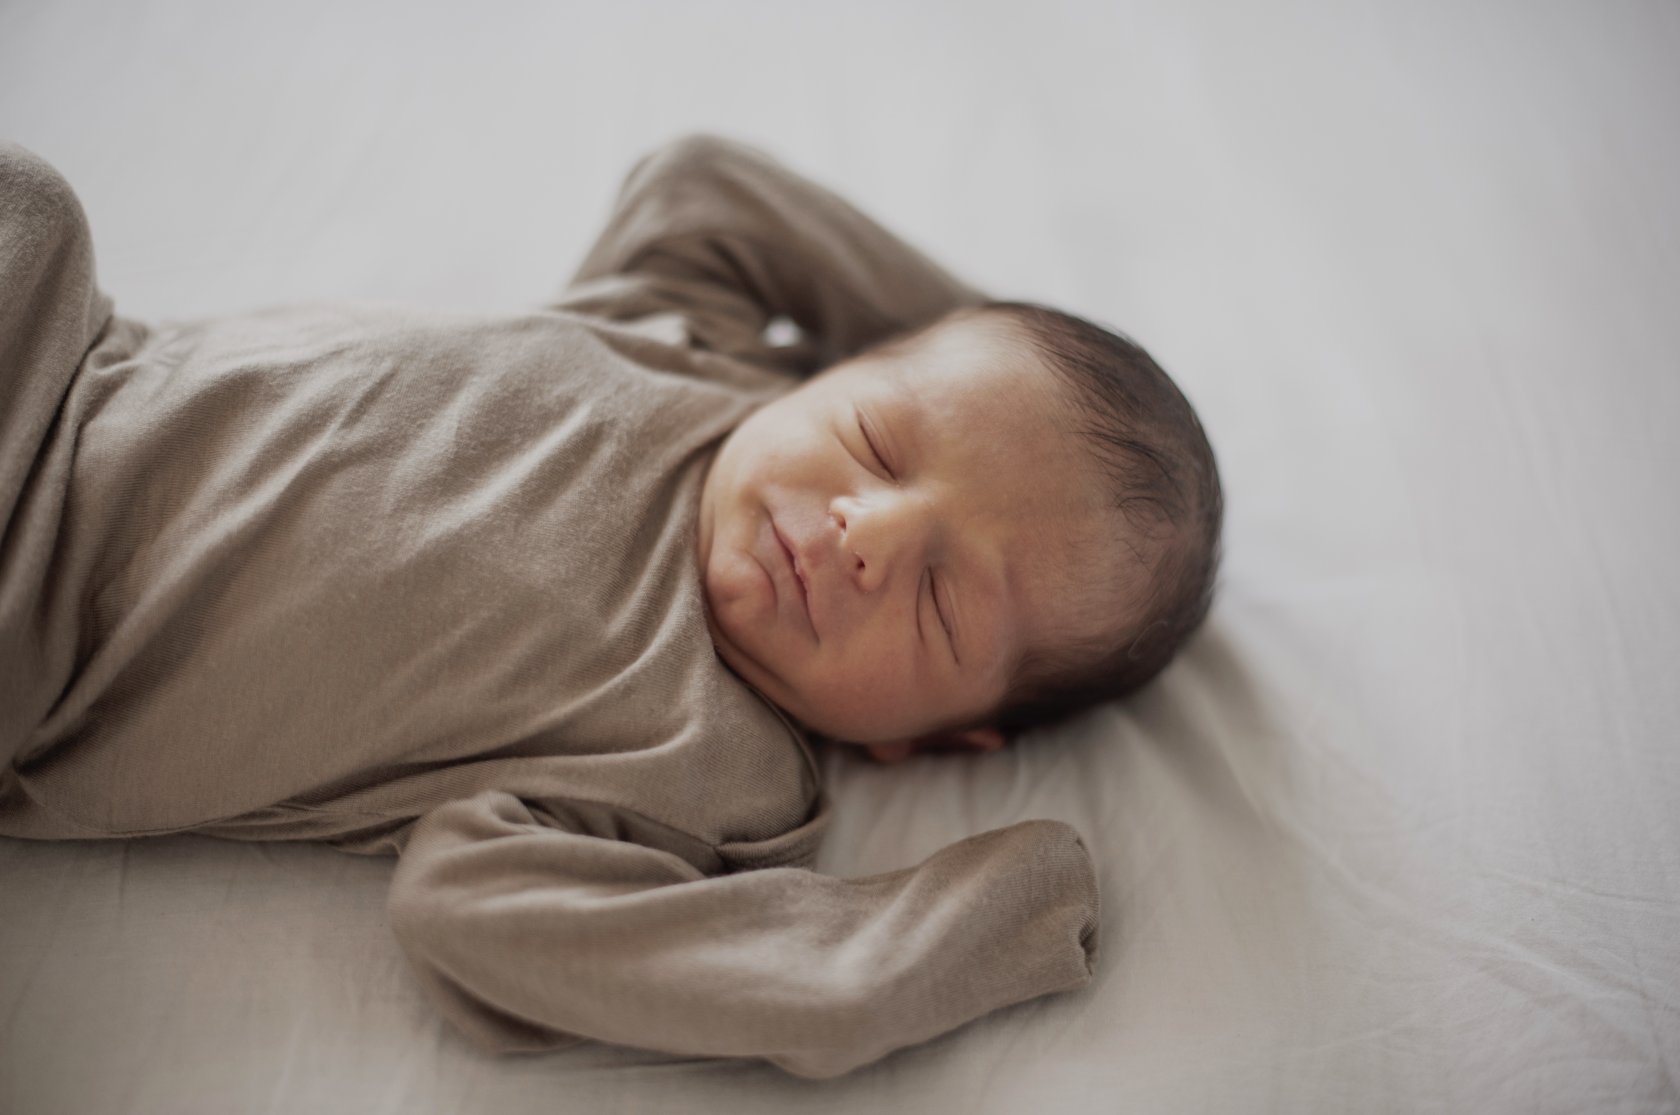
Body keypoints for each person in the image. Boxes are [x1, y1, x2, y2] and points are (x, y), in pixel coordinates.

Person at [0, 134, 1219, 1077]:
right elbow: (706, 182)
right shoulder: (678, 332)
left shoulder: (710, 770)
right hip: (66, 361)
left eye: (945, 604)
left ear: (933, 736)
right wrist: (995, 348)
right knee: (31, 199)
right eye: (878, 437)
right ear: (838, 362)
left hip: (40, 634)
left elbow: (471, 907)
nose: (869, 533)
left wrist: (913, 942)